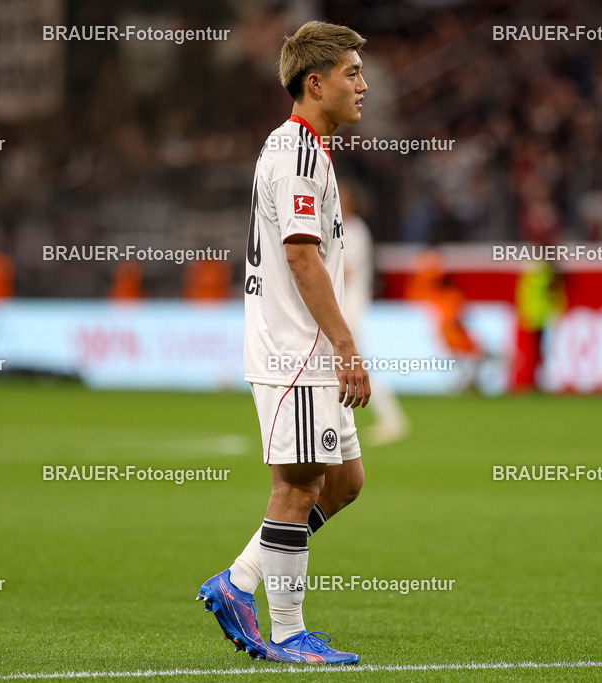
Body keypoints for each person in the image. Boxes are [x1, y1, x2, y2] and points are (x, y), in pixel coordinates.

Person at [197, 21, 370, 665]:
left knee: (345, 482)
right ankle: (289, 631)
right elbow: (302, 259)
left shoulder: (306, 150)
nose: (363, 84)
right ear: (314, 82)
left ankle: (239, 582)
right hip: (295, 352)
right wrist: (347, 345)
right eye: (351, 73)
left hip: (308, 352)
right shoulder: (296, 151)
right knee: (296, 486)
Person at [339, 179, 408, 444]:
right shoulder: (344, 229)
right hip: (344, 306)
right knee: (346, 364)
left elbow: (346, 270)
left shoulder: (354, 231)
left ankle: (391, 418)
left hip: (349, 307)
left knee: (354, 363)